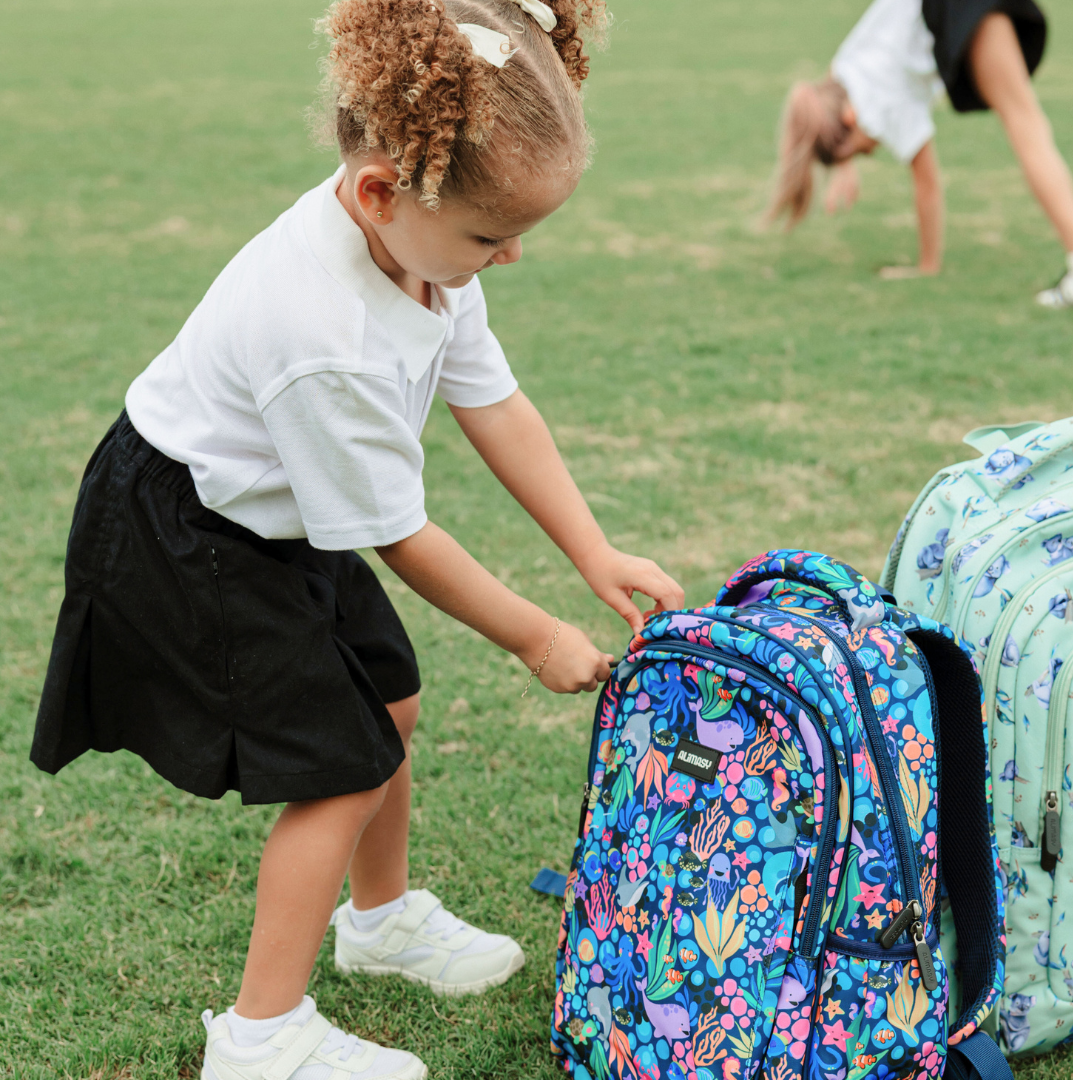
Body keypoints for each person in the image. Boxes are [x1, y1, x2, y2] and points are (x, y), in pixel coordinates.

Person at [29, 0, 684, 1077]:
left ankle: (380, 923)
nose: (511, 254)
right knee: (340, 765)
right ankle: (259, 1038)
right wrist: (534, 636)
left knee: (388, 703)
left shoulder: (421, 249)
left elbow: (497, 407)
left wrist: (593, 552)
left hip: (270, 511)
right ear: (381, 191)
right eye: (490, 233)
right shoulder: (319, 330)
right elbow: (400, 535)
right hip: (186, 528)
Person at [768, 0, 1073, 307]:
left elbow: (927, 185)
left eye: (860, 151)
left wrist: (927, 266)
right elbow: (833, 99)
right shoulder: (847, 65)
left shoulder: (885, 102)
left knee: (1024, 124)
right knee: (1025, 119)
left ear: (850, 118)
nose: (871, 152)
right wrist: (844, 161)